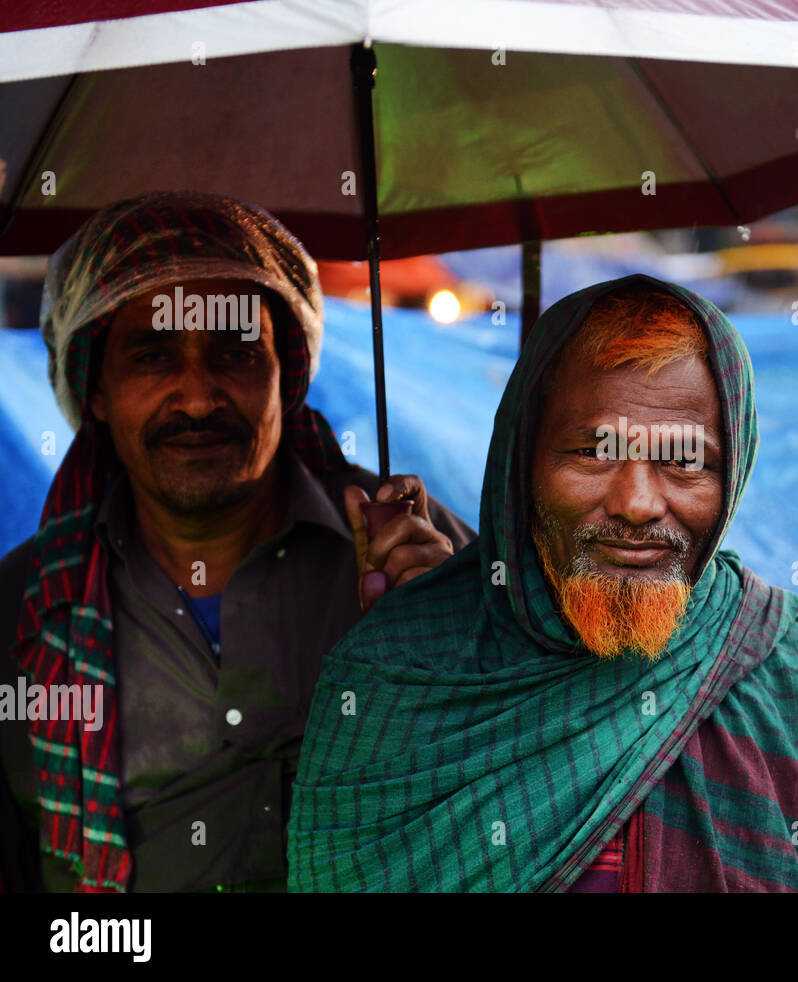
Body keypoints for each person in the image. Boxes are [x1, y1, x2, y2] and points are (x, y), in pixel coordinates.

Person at [288, 275, 798, 892]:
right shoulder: (400, 674)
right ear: (521, 460)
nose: (636, 503)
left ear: (733, 469)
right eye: (593, 453)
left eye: (683, 460)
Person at [0, 191, 474, 892]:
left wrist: (458, 643)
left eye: (234, 353)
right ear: (95, 389)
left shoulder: (412, 550)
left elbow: (523, 791)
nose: (197, 398)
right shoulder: (21, 612)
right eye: (155, 357)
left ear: (287, 375)